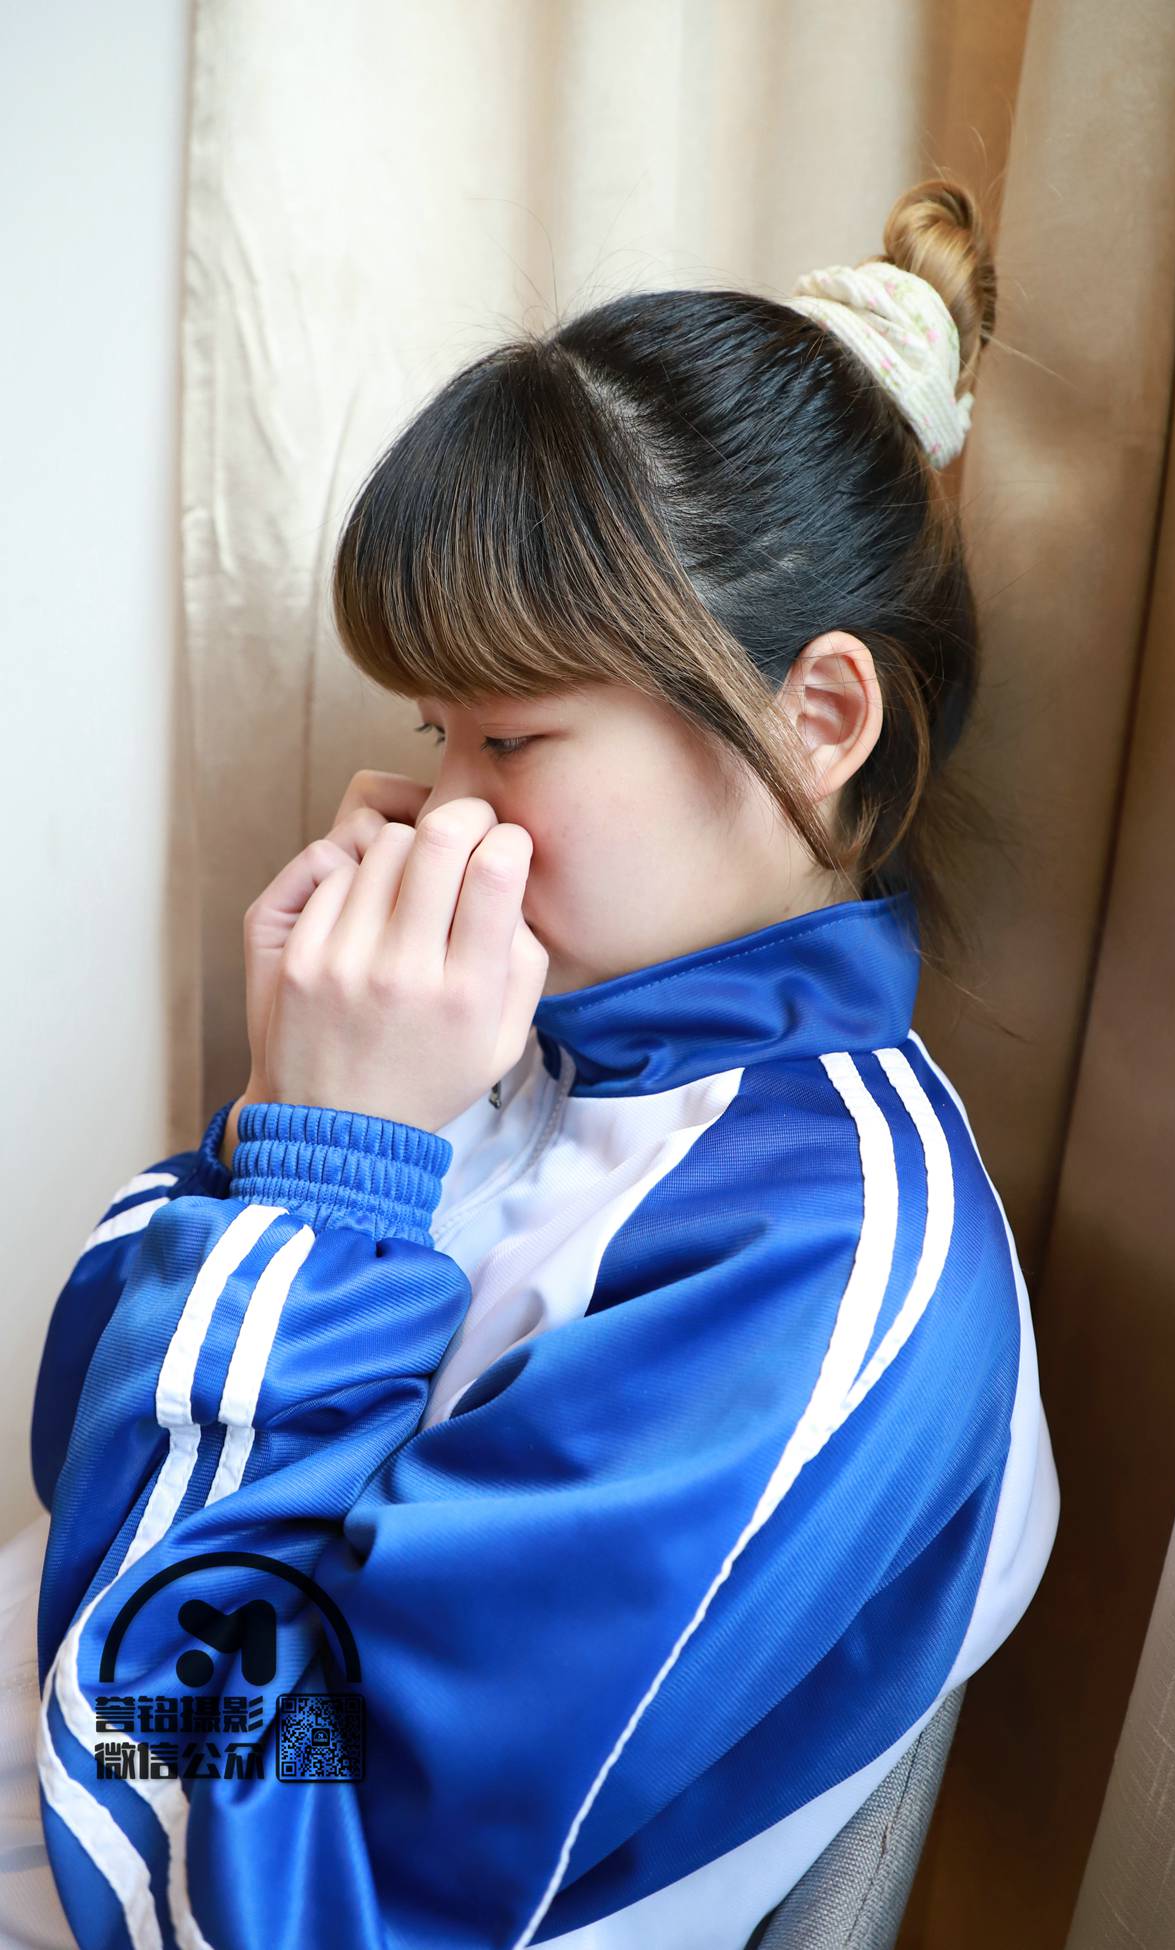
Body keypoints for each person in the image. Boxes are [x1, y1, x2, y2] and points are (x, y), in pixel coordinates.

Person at [17, 174, 1059, 1950]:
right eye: (435, 728)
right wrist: (286, 1129)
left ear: (818, 720)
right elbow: (84, 1463)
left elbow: (232, 1884)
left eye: (512, 736)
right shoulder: (514, 1047)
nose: (444, 808)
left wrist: (321, 1178)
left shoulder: (814, 1258)